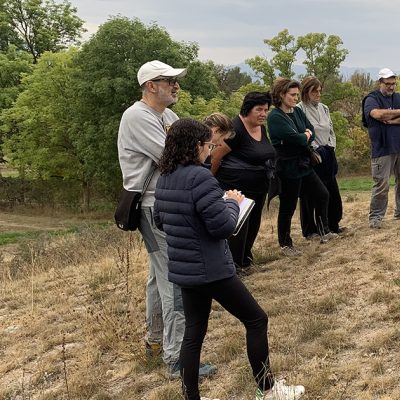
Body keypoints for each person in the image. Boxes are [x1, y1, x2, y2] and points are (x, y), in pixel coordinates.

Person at [153, 118, 305, 400]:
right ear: (196, 146)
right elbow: (223, 227)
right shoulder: (201, 177)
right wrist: (231, 203)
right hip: (212, 269)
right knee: (256, 320)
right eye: (209, 145)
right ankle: (268, 389)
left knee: (193, 334)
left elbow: (159, 220)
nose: (211, 151)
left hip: (185, 271)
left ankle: (191, 397)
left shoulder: (165, 178)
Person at [116, 60, 216, 378]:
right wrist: (199, 155)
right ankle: (176, 359)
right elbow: (174, 158)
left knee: (158, 277)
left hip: (168, 203)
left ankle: (157, 344)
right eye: (168, 80)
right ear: (150, 86)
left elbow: (195, 151)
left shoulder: (168, 116)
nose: (175, 86)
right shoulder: (137, 116)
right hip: (153, 206)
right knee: (175, 278)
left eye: (175, 80)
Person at [207, 93, 276, 271]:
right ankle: (234, 265)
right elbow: (215, 157)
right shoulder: (235, 129)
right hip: (235, 188)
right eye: (259, 109)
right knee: (238, 229)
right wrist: (210, 183)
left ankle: (245, 260)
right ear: (247, 109)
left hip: (258, 186)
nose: (263, 114)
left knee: (253, 225)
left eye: (266, 110)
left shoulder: (261, 127)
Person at [268, 77, 334, 254]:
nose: (296, 98)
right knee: (288, 207)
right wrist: (303, 135)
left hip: (303, 163)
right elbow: (297, 138)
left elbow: (310, 130)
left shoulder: (295, 112)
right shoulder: (275, 117)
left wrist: (304, 135)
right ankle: (285, 244)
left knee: (322, 194)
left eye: (297, 95)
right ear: (281, 95)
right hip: (287, 166)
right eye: (292, 95)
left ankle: (324, 231)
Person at [362, 68, 400, 229]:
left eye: (393, 84)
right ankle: (376, 217)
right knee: (381, 184)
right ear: (380, 83)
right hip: (382, 148)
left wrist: (393, 119)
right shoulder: (371, 99)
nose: (391, 87)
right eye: (388, 84)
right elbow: (377, 115)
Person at [298, 76, 345, 238]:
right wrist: (315, 150)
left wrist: (331, 147)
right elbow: (303, 133)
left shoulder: (324, 108)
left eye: (319, 91)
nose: (318, 94)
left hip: (328, 153)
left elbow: (331, 130)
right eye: (314, 91)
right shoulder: (299, 109)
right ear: (306, 92)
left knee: (332, 190)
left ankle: (332, 223)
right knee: (311, 194)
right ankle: (311, 229)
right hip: (312, 155)